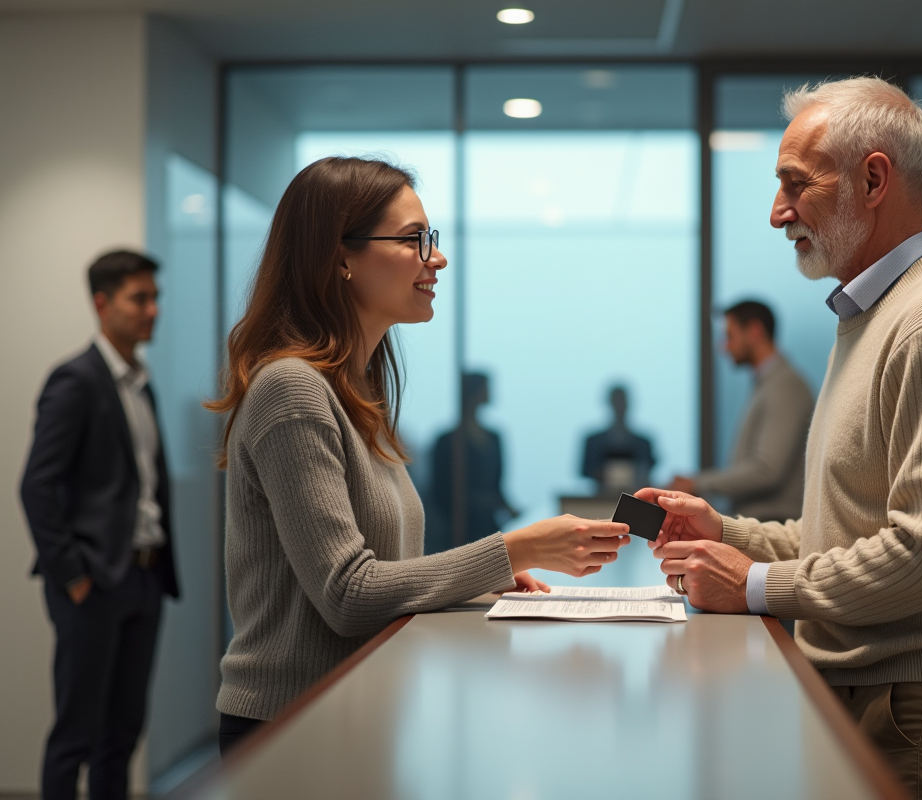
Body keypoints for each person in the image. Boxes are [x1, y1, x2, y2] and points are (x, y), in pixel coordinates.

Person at [642, 77, 922, 800]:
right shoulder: (869, 319)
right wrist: (726, 532)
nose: (776, 212)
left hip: (918, 714)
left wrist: (754, 586)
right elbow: (846, 531)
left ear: (874, 178)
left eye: (796, 183)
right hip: (867, 697)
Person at [205, 157, 630, 756]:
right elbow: (349, 595)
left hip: (356, 713)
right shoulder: (292, 390)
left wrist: (487, 582)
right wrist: (516, 548)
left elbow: (387, 575)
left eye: (430, 238)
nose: (437, 258)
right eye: (413, 241)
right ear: (341, 257)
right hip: (293, 727)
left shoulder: (356, 394)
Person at [19, 250, 180, 800]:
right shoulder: (76, 380)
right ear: (101, 303)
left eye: (156, 298)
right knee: (76, 736)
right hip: (93, 583)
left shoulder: (141, 384)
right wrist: (74, 577)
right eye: (140, 299)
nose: (153, 310)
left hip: (144, 577)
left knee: (123, 735)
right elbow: (36, 486)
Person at [670, 301, 813, 521]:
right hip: (763, 524)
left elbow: (767, 470)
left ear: (755, 331)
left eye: (729, 336)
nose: (724, 346)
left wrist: (697, 483)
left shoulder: (785, 385)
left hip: (776, 525)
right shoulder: (767, 384)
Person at [427, 372, 518, 552]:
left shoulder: (494, 437)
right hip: (457, 527)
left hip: (488, 524)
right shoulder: (447, 441)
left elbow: (497, 485)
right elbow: (439, 490)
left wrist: (509, 509)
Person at [581, 385, 656, 494]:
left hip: (635, 498)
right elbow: (586, 470)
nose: (619, 405)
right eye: (616, 401)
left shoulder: (644, 443)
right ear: (610, 403)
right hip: (599, 501)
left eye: (622, 401)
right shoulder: (593, 441)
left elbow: (648, 468)